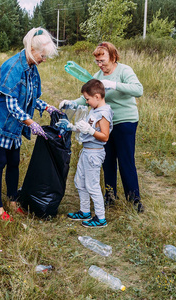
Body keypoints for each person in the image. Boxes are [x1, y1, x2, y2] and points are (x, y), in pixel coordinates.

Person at [0, 28, 62, 221]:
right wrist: (31, 123)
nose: (44, 59)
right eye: (43, 55)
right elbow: (12, 104)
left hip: (15, 126)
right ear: (32, 50)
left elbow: (31, 98)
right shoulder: (13, 68)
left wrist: (47, 107)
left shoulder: (32, 69)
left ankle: (12, 201)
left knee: (14, 163)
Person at [59, 42, 144, 212]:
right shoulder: (97, 76)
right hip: (105, 123)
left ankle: (134, 200)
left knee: (126, 161)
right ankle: (110, 197)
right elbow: (88, 98)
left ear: (113, 56)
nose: (100, 64)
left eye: (102, 60)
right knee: (107, 161)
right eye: (97, 61)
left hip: (125, 120)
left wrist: (113, 85)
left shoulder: (124, 71)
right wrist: (71, 103)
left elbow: (138, 90)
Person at [57, 79, 113, 228]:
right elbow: (86, 128)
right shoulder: (94, 110)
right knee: (79, 181)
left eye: (87, 99)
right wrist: (72, 127)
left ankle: (100, 218)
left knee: (92, 185)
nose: (86, 102)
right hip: (86, 152)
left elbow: (105, 136)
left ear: (97, 96)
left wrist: (91, 131)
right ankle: (85, 211)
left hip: (94, 154)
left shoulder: (104, 112)